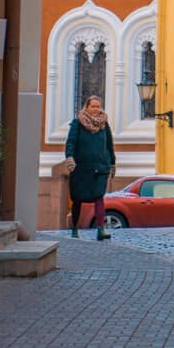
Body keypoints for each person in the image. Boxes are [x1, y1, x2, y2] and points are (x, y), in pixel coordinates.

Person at [65, 94, 116, 239]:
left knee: (99, 197)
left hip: (100, 167)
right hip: (81, 168)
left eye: (98, 106)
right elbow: (71, 142)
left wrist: (112, 163)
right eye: (93, 106)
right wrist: (69, 158)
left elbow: (109, 144)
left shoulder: (104, 125)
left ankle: (101, 229)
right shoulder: (77, 123)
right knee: (78, 199)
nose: (96, 109)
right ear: (87, 107)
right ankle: (74, 229)